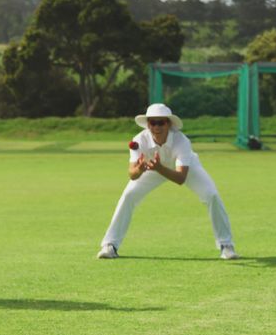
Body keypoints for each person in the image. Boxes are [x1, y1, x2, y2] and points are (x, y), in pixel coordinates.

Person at [98, 103, 238, 260]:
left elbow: (180, 178)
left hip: (185, 168)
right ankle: (110, 245)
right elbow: (132, 174)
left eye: (161, 122)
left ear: (169, 123)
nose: (156, 127)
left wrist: (159, 167)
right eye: (152, 122)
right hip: (151, 168)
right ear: (148, 124)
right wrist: (140, 169)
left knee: (211, 195)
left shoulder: (182, 141)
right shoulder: (139, 140)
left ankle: (226, 245)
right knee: (128, 195)